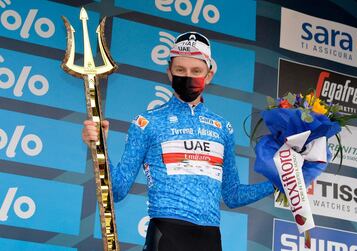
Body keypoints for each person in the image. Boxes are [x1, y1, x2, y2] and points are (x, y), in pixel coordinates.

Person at [82, 31, 274, 251]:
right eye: (180, 70)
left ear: (208, 75)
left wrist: (279, 185)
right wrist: (99, 148)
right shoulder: (147, 122)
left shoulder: (223, 128)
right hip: (166, 235)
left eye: (196, 71)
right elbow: (117, 191)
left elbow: (232, 196)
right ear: (169, 74)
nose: (188, 76)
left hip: (211, 239)